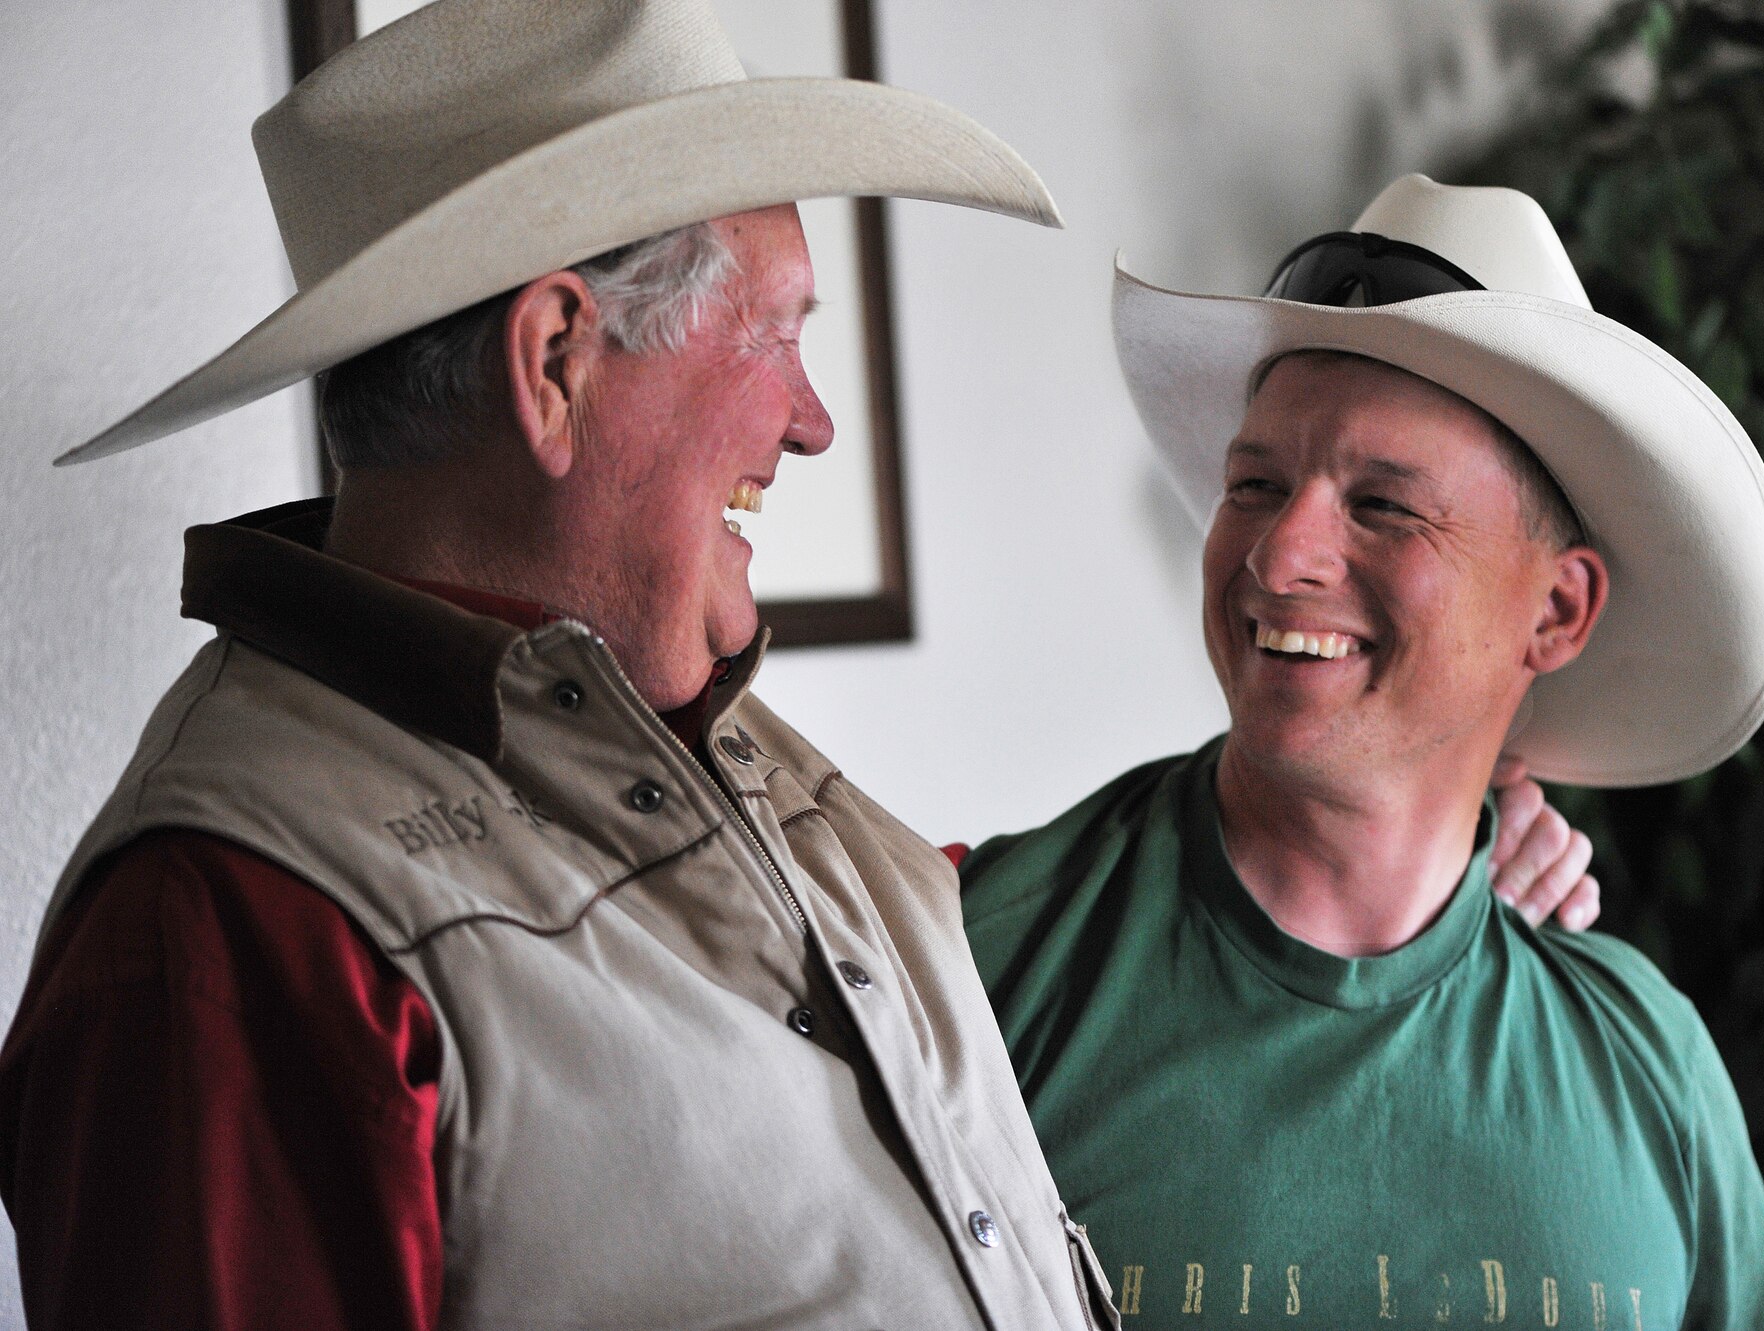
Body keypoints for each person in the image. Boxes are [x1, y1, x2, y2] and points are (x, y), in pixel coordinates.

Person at [0, 3, 1595, 1324]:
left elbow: (924, 953)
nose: (814, 416)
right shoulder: (227, 925)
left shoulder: (704, 750)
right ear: (556, 360)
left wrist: (1417, 877)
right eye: (773, 331)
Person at [960, 176, 1764, 1329]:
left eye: (1383, 505)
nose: (1277, 552)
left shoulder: (1646, 1059)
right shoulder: (976, 966)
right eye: (1253, 483)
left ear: (1555, 612)